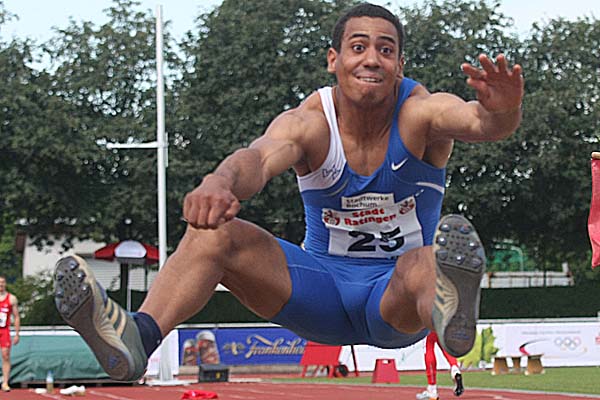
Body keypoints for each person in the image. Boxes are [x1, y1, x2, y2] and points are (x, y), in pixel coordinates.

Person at [53, 3, 523, 382]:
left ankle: (447, 316)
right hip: (320, 291)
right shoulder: (309, 123)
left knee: (427, 260)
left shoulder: (420, 113)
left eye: (386, 49)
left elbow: (480, 122)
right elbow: (258, 159)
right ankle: (138, 337)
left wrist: (503, 109)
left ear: (400, 65)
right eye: (358, 47)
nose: (371, 59)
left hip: (395, 298)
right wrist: (219, 181)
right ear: (334, 60)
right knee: (213, 233)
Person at [417, 331, 464, 400]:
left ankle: (432, 388)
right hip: (442, 326)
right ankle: (455, 369)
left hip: (429, 327)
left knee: (428, 347)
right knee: (444, 346)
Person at [0, 276, 20, 392]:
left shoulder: (11, 298)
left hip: (4, 330)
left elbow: (16, 317)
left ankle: (5, 382)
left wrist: (17, 333)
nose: (1, 285)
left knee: (5, 355)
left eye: (2, 282)